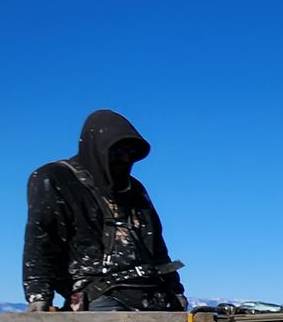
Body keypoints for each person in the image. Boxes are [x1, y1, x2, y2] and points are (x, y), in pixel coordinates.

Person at [22, 109, 188, 311]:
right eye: (117, 152)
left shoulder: (135, 189)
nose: (124, 159)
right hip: (100, 294)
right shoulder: (55, 178)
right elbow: (41, 239)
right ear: (97, 149)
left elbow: (157, 247)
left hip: (154, 294)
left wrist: (175, 290)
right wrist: (39, 296)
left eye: (130, 153)